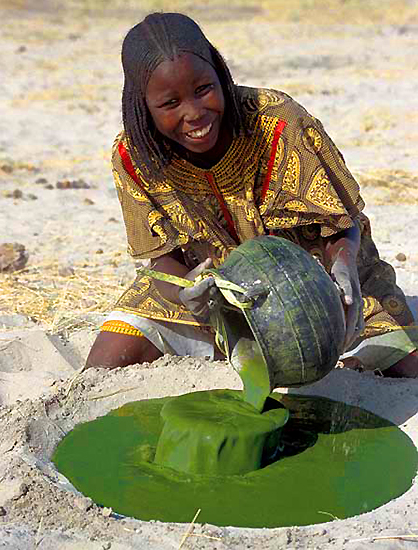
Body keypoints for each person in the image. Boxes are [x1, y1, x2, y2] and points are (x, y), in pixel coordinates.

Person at [86, 12, 418, 377]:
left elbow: (341, 223)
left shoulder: (277, 121)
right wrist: (192, 294)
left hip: (318, 286)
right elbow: (163, 261)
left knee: (405, 365)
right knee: (104, 366)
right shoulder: (134, 158)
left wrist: (343, 261)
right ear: (142, 106)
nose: (195, 113)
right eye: (170, 104)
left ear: (220, 73)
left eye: (203, 89)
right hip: (215, 301)